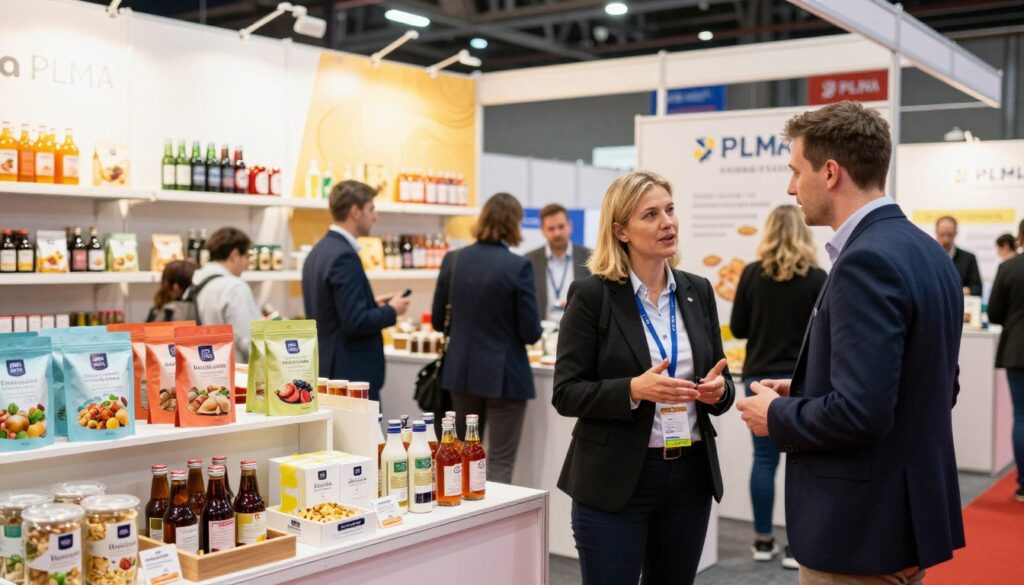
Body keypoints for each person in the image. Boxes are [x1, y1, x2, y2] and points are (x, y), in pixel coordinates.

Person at [736, 101, 964, 585]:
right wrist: (804, 395)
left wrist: (776, 415)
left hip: (859, 529)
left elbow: (862, 412)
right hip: (900, 520)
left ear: (831, 172)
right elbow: (937, 386)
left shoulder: (867, 262)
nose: (791, 187)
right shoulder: (927, 251)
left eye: (797, 171)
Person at [552, 171, 733, 585]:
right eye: (650, 215)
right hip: (615, 480)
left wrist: (719, 391)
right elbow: (566, 393)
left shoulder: (697, 290)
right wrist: (633, 389)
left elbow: (721, 379)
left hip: (689, 476)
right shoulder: (593, 295)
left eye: (669, 210)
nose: (667, 222)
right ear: (621, 231)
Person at [730, 204, 826, 569]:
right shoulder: (818, 278)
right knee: (802, 465)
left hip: (757, 379)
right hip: (801, 382)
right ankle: (796, 546)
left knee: (764, 461)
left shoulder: (752, 275)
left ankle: (762, 540)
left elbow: (738, 328)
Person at [432, 192, 541, 484]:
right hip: (504, 376)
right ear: (513, 224)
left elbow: (437, 319)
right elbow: (531, 332)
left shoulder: (453, 260)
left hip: (462, 373)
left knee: (461, 457)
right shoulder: (518, 267)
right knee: (499, 462)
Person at [303, 180, 410, 402]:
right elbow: (355, 322)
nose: (375, 217)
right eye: (371, 209)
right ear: (355, 211)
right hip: (351, 376)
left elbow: (334, 310)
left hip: (329, 369)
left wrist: (372, 304)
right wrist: (392, 311)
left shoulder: (318, 251)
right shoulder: (344, 256)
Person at [987, 220, 1024, 503]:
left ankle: (1023, 484)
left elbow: (996, 313)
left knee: (1021, 416)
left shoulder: (1008, 268)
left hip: (1017, 350)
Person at [191, 227, 262, 361]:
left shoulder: (195, 280)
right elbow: (251, 341)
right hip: (232, 374)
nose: (246, 263)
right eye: (246, 256)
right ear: (234, 255)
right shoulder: (234, 287)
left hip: (199, 369)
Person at [524, 203, 592, 323]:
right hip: (542, 335)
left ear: (569, 226)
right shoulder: (529, 260)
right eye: (551, 229)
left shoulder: (589, 258)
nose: (557, 233)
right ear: (543, 231)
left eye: (561, 227)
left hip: (579, 330)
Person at [935, 215, 983, 296]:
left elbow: (977, 289)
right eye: (942, 234)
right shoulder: (927, 258)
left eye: (950, 234)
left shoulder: (969, 258)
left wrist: (963, 291)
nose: (946, 239)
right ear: (936, 232)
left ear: (955, 233)